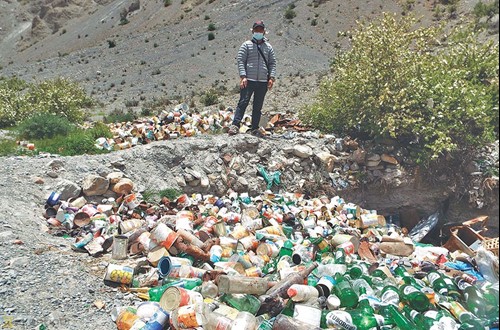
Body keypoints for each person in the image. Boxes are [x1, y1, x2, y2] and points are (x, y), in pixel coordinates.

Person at [228, 20, 277, 137]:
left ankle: (254, 128)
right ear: (253, 31)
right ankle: (235, 125)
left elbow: (272, 63)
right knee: (243, 102)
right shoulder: (246, 45)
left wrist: (271, 78)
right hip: (248, 80)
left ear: (264, 32)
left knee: (258, 105)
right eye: (256, 30)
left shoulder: (268, 47)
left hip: (263, 81)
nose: (258, 32)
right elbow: (241, 61)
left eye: (260, 30)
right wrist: (243, 76)